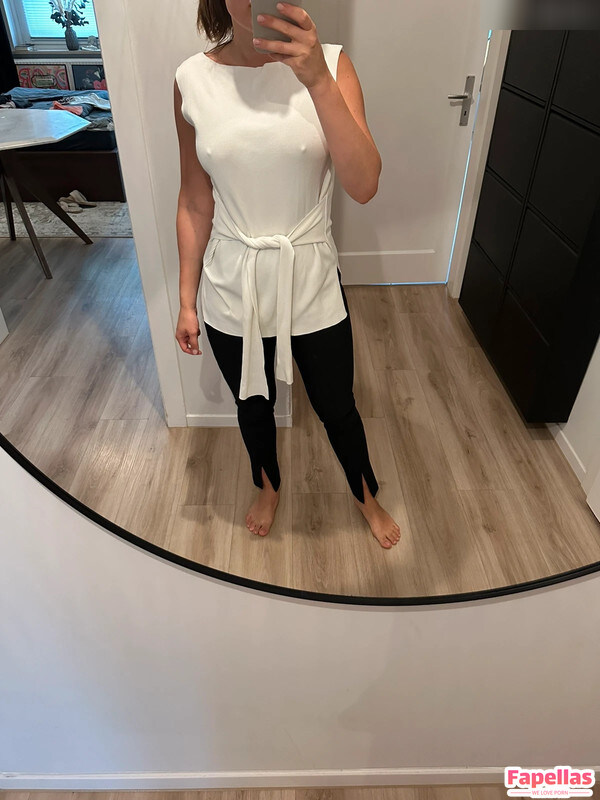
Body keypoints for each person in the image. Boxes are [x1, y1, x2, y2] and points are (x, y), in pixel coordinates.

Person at [173, 0, 401, 549]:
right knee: (252, 405)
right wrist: (185, 299)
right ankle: (268, 487)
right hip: (231, 280)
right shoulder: (191, 79)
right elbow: (195, 199)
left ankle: (366, 496)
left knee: (336, 405)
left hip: (310, 275)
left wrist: (318, 80)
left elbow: (364, 185)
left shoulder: (333, 65)